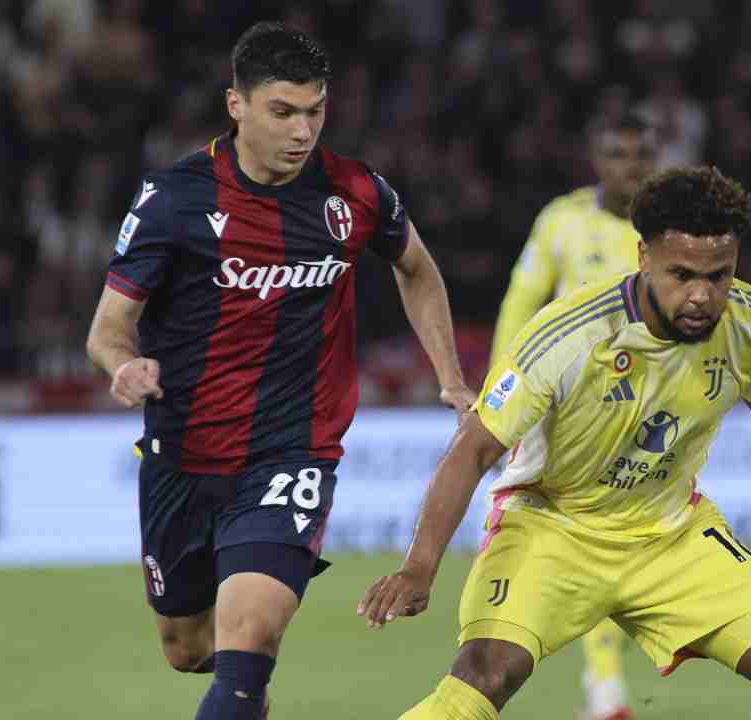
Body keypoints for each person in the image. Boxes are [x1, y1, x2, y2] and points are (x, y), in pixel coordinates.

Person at [359, 166, 751, 720]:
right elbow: (473, 449)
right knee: (485, 676)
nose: (701, 296)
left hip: (671, 534)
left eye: (719, 276)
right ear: (644, 257)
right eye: (681, 275)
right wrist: (419, 568)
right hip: (552, 527)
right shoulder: (570, 334)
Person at [84, 22, 475, 720]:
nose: (302, 132)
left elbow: (416, 267)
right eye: (283, 112)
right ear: (236, 105)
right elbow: (107, 329)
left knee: (251, 636)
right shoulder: (176, 199)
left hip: (292, 452)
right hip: (183, 455)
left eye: (315, 111)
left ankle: (244, 682)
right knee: (188, 648)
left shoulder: (354, 192)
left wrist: (448, 373)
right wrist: (124, 364)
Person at [489, 110, 658, 720]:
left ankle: (600, 679)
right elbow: (520, 302)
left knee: (628, 552)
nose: (630, 167)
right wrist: (497, 393)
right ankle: (605, 688)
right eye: (618, 154)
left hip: (652, 410)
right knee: (594, 541)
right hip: (568, 410)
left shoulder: (670, 228)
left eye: (641, 155)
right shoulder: (561, 220)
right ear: (597, 160)